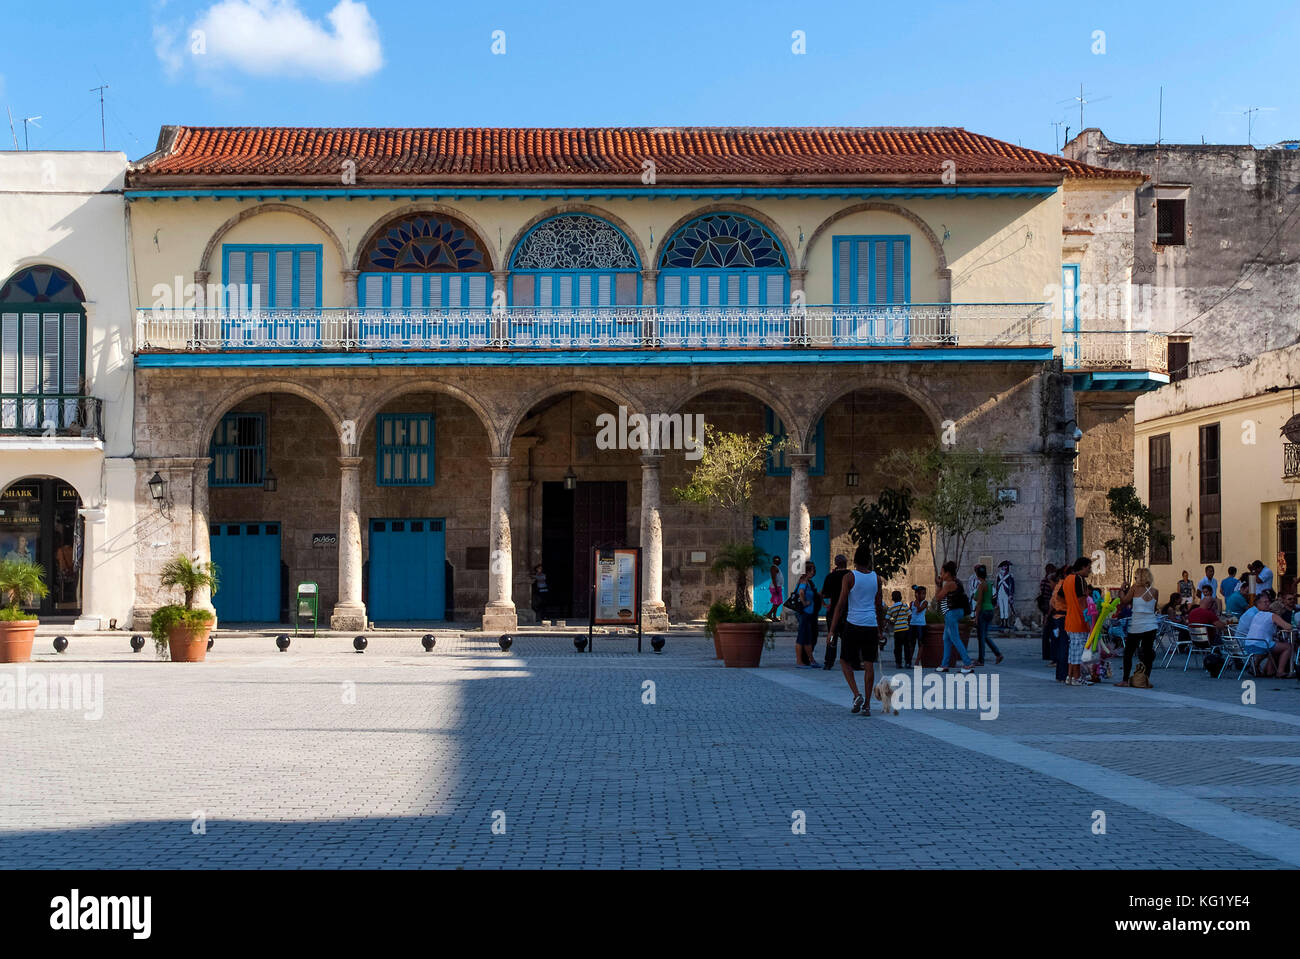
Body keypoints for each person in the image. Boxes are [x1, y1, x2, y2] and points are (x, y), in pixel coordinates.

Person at [830, 544, 884, 715]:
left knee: (845, 660)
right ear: (868, 560)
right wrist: (880, 629)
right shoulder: (877, 578)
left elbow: (840, 604)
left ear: (854, 560)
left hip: (853, 624)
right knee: (869, 665)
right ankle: (867, 704)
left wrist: (832, 630)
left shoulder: (849, 577)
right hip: (871, 624)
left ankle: (856, 694)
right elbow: (879, 606)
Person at [1116, 567, 1158, 687]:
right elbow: (1154, 609)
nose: (1135, 579)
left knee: (1128, 653)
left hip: (1136, 625)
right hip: (1151, 625)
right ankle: (1145, 680)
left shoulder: (1134, 588)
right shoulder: (1155, 591)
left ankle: (1124, 680)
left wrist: (1122, 590)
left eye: (1136, 577)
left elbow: (1124, 601)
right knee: (1147, 653)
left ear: (1140, 577)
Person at [934, 561, 973, 674]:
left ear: (948, 573)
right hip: (954, 612)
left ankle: (967, 663)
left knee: (955, 638)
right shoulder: (957, 581)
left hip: (952, 613)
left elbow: (938, 597)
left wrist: (938, 585)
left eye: (942, 572)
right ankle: (944, 664)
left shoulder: (950, 584)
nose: (941, 575)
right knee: (946, 638)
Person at [1244, 592, 1294, 677]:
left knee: (1273, 645)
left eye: (1268, 602)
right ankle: (1280, 672)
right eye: (1265, 602)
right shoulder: (1272, 615)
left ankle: (1265, 669)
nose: (1268, 604)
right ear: (1258, 604)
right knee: (1287, 647)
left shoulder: (1256, 615)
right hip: (1261, 645)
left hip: (1248, 645)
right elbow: (1288, 627)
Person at [1063, 556, 1092, 686]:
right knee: (1079, 652)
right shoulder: (1079, 579)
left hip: (1069, 619)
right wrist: (1087, 619)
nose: (1089, 571)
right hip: (1078, 621)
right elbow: (1081, 601)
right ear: (1082, 567)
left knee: (1072, 651)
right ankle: (1076, 677)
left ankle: (1069, 677)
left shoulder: (1067, 579)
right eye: (1088, 568)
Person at [820, 554, 850, 670]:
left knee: (832, 635)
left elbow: (822, 594)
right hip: (848, 611)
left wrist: (825, 605)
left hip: (833, 611)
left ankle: (829, 662)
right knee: (847, 637)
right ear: (846, 562)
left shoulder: (830, 577)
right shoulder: (851, 576)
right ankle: (849, 660)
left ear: (836, 563)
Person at [973, 564, 1003, 666]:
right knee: (984, 636)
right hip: (990, 610)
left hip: (983, 611)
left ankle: (981, 660)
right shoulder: (989, 584)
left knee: (981, 637)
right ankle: (997, 654)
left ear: (977, 575)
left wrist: (976, 617)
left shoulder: (981, 585)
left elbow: (979, 601)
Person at [792, 562, 820, 667]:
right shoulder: (804, 582)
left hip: (808, 613)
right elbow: (801, 592)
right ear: (807, 571)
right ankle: (799, 661)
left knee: (808, 637)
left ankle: (811, 660)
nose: (814, 572)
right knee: (802, 637)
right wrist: (805, 603)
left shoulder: (808, 582)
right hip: (804, 613)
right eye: (812, 570)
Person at [1049, 567, 1070, 682]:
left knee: (1060, 646)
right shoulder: (1064, 586)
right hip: (1063, 618)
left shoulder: (1058, 585)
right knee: (1064, 646)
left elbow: (1051, 602)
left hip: (1056, 618)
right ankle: (1063, 674)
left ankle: (1059, 674)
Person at [887, 590, 911, 668]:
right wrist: (906, 622)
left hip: (897, 630)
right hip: (905, 629)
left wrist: (893, 621)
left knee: (898, 648)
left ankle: (898, 663)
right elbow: (910, 615)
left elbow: (887, 618)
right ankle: (908, 663)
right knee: (907, 647)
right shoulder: (904, 606)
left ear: (892, 599)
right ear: (901, 597)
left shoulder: (891, 608)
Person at [908, 586, 928, 670]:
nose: (924, 596)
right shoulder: (912, 603)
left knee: (921, 644)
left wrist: (917, 604)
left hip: (921, 625)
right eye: (922, 594)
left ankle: (917, 661)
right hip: (913, 624)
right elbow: (910, 613)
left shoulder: (925, 602)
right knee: (911, 644)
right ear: (916, 594)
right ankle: (909, 660)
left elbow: (919, 610)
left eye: (924, 594)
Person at [994, 560, 1016, 629]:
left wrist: (1011, 594)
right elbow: (997, 585)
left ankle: (1006, 623)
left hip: (1006, 593)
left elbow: (1012, 586)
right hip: (1000, 593)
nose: (1004, 567)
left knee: (1006, 608)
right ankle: (1002, 622)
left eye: (1006, 566)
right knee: (1001, 608)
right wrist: (996, 595)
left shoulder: (1009, 575)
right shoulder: (999, 575)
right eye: (1003, 566)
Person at [766, 556, 784, 622]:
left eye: (779, 560)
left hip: (777, 587)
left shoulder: (776, 567)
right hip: (775, 587)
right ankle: (770, 614)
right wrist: (776, 588)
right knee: (777, 602)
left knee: (776, 602)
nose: (779, 561)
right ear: (775, 561)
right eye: (778, 560)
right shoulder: (773, 567)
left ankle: (773, 616)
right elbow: (773, 578)